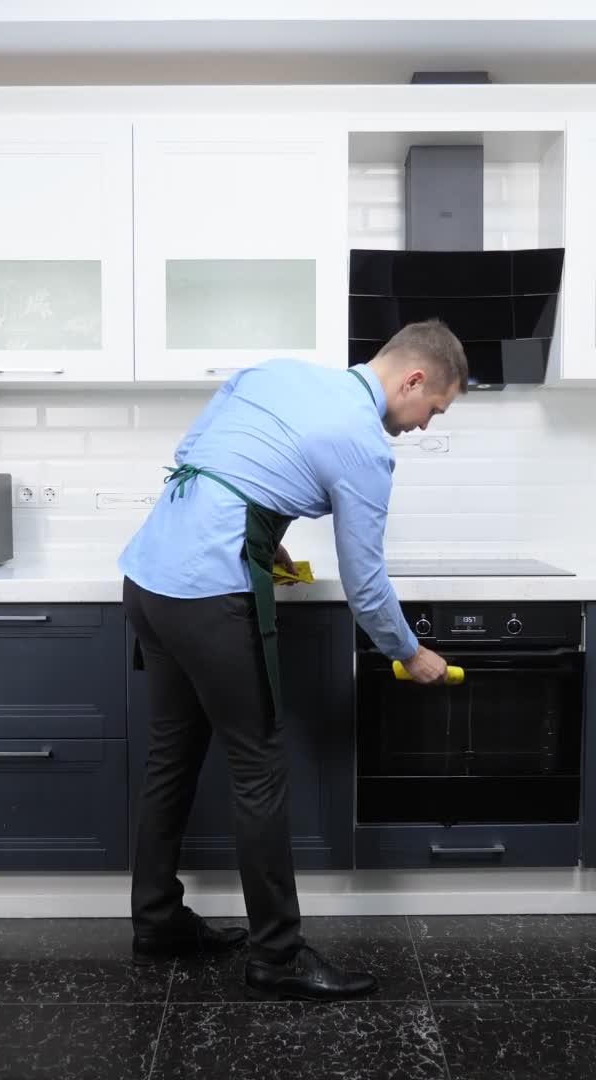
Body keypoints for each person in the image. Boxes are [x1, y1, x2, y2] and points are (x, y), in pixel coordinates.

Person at [119, 317, 468, 1001]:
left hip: (147, 579)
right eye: (434, 409)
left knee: (171, 756)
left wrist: (265, 539)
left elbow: (204, 454)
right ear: (414, 379)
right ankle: (277, 957)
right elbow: (365, 584)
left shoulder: (276, 371)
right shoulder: (364, 443)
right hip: (209, 594)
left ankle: (157, 921)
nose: (426, 424)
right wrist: (410, 651)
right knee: (259, 769)